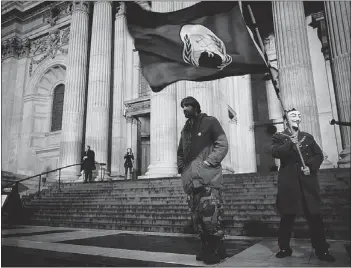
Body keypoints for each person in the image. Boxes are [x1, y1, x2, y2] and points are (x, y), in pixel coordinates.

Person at [271, 108, 335, 262]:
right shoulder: (279, 136)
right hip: (289, 182)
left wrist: (311, 166)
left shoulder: (307, 137)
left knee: (314, 216)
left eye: (299, 115)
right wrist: (289, 144)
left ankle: (321, 249)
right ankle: (284, 248)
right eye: (293, 115)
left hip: (307, 182)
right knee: (287, 216)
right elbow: (275, 152)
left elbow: (318, 155)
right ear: (286, 119)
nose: (297, 117)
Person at [177, 96, 229, 264]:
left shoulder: (210, 122)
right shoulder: (185, 130)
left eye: (187, 106)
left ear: (195, 107)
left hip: (209, 179)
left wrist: (209, 162)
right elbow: (180, 152)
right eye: (182, 106)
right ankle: (207, 247)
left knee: (211, 216)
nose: (184, 109)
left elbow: (222, 144)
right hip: (191, 182)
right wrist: (182, 169)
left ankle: (214, 250)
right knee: (197, 219)